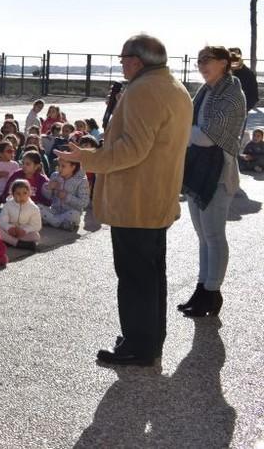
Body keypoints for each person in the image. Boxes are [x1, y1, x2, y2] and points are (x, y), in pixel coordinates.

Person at [57, 34, 192, 367]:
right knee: (151, 274)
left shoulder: (144, 90)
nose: (121, 64)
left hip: (136, 200)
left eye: (122, 59)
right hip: (154, 197)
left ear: (137, 60)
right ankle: (145, 338)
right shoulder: (173, 86)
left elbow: (132, 149)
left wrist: (88, 158)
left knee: (135, 277)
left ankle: (139, 346)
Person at [178, 46, 245, 318]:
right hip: (198, 170)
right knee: (203, 237)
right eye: (199, 60)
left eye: (208, 60)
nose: (201, 65)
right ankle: (202, 288)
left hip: (218, 173)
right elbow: (198, 132)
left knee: (214, 236)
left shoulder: (231, 94)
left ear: (224, 63)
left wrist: (183, 131)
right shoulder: (206, 91)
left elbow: (208, 136)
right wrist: (189, 133)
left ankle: (213, 292)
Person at [41, 158, 91, 231]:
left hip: (70, 213)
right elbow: (47, 197)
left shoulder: (82, 181)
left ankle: (50, 221)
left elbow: (84, 203)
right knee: (38, 208)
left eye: (63, 166)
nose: (59, 168)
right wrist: (48, 188)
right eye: (59, 165)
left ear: (73, 167)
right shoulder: (54, 176)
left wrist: (67, 197)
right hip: (55, 211)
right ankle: (60, 223)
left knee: (74, 215)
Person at [0, 179, 42, 250]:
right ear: (13, 194)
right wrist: (9, 228)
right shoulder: (8, 205)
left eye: (25, 193)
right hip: (9, 231)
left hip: (23, 233)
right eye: (18, 193)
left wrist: (24, 230)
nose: (22, 196)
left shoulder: (34, 208)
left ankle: (9, 241)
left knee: (36, 236)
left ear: (29, 193)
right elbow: (2, 221)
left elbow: (37, 225)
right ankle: (18, 243)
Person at [228, 47, 258, 112]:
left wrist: (243, 110)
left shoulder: (248, 74)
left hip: (239, 113)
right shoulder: (223, 73)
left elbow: (254, 96)